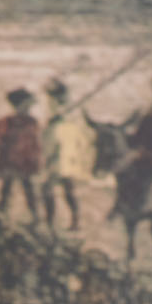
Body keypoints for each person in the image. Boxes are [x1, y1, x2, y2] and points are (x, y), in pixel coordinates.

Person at [41, 78, 94, 232]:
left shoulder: (65, 108)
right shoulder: (56, 106)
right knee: (61, 188)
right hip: (59, 151)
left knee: (56, 188)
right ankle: (62, 222)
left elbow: (69, 128)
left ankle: (61, 222)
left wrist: (57, 120)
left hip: (62, 152)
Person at [0, 87, 41, 223]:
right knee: (7, 188)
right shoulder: (7, 122)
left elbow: (35, 143)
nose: (28, 108)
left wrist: (35, 159)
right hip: (9, 161)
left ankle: (34, 216)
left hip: (25, 162)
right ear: (19, 105)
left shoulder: (32, 122)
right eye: (26, 104)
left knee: (28, 189)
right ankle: (1, 214)